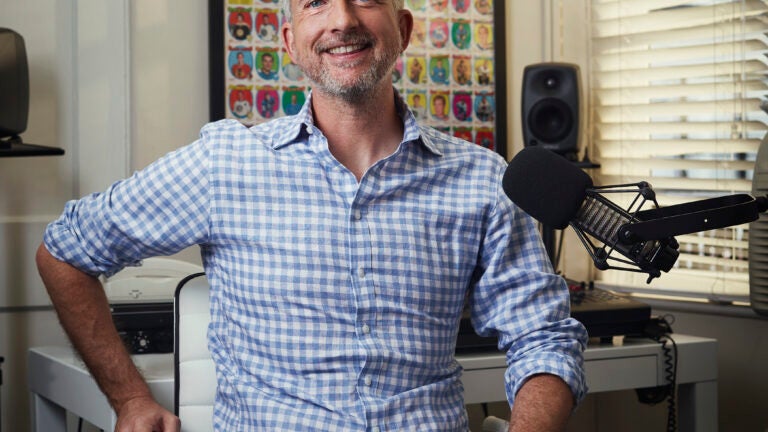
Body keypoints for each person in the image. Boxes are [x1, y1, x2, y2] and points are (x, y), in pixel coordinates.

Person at [36, 0, 587, 431]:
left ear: (402, 29)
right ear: (290, 43)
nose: (342, 20)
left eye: (365, 0)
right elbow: (64, 251)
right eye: (316, 3)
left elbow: (543, 336)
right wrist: (130, 400)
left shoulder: (482, 179)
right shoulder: (224, 163)